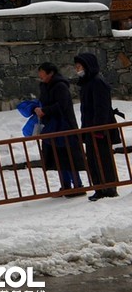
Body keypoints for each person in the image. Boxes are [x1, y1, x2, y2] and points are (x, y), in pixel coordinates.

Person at [34, 61, 86, 196]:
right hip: (52, 127)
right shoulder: (45, 86)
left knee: (68, 156)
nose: (41, 76)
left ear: (50, 73)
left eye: (42, 74)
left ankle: (77, 185)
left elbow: (62, 105)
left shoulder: (60, 86)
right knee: (58, 157)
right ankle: (66, 185)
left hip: (64, 126)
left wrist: (44, 110)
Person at [74, 52, 121, 201]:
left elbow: (101, 108)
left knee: (103, 159)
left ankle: (108, 188)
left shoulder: (97, 82)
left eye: (79, 66)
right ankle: (99, 188)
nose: (77, 69)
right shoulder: (88, 83)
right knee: (93, 160)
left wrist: (98, 129)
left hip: (99, 130)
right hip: (90, 129)